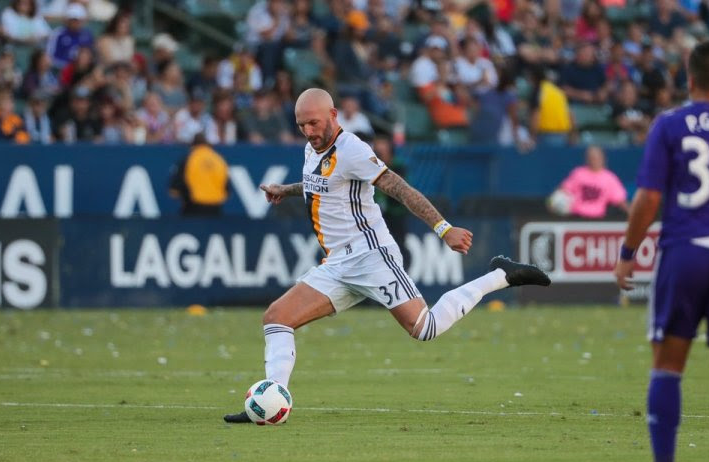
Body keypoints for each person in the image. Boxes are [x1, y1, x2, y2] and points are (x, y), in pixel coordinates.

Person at [223, 88, 551, 424]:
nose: (308, 131)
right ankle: (271, 402)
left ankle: (501, 275)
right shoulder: (313, 148)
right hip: (337, 264)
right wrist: (287, 190)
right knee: (276, 318)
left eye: (314, 123)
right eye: (302, 125)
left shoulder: (351, 149)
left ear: (334, 115)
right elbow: (318, 183)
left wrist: (443, 229)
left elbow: (399, 188)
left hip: (371, 256)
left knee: (425, 328)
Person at [613, 41, 709, 462]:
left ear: (688, 80)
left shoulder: (671, 124)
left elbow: (648, 198)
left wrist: (629, 250)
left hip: (685, 253)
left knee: (668, 366)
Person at [555, 145, 628, 218]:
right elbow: (563, 190)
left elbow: (620, 200)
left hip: (598, 219)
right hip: (576, 217)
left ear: (604, 158)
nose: (594, 160)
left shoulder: (610, 178)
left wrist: (633, 213)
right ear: (587, 159)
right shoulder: (578, 173)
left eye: (597, 157)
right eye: (591, 157)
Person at [169, 133, 230, 216]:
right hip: (216, 208)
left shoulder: (188, 159)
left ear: (193, 145)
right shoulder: (219, 159)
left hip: (193, 207)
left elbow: (174, 190)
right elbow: (227, 188)